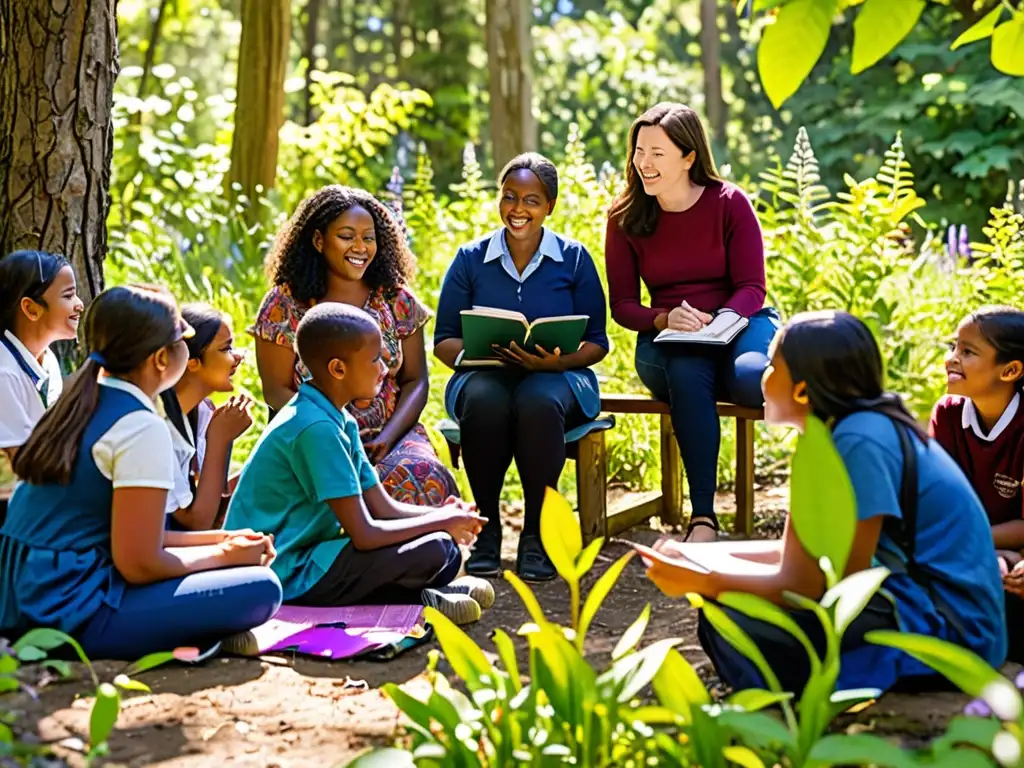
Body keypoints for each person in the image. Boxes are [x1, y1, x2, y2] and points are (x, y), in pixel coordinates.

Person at [641, 311, 1006, 695]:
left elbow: (822, 582)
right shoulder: (830, 436)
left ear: (802, 390)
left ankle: (797, 699)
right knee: (726, 605)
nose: (761, 377)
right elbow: (799, 556)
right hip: (906, 599)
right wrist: (698, 559)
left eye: (770, 365)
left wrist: (702, 579)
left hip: (952, 630)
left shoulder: (860, 442)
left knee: (731, 610)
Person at [0, 285, 282, 660]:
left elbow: (131, 537)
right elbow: (139, 563)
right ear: (161, 360)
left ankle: (196, 631)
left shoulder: (79, 401)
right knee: (261, 587)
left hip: (24, 594)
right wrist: (225, 557)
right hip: (67, 609)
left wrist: (222, 541)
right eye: (184, 340)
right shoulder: (140, 427)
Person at [227, 303, 494, 626]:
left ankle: (425, 591)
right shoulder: (316, 429)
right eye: (374, 360)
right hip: (283, 572)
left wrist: (445, 516)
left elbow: (384, 508)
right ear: (338, 369)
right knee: (436, 550)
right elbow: (366, 534)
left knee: (441, 545)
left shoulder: (337, 417)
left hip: (314, 555)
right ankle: (419, 598)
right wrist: (440, 523)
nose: (384, 369)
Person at [605, 103, 781, 542]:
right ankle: (703, 518)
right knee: (686, 372)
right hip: (670, 337)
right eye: (638, 151)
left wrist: (721, 321)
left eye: (657, 153)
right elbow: (624, 305)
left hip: (740, 322)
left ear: (688, 156)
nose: (643, 163)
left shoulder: (730, 203)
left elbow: (752, 287)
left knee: (749, 380)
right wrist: (665, 316)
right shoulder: (624, 217)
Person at [434, 152, 610, 582]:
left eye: (531, 200)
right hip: (485, 375)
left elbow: (597, 343)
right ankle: (487, 531)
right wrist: (478, 355)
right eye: (509, 197)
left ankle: (536, 534)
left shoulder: (574, 259)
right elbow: (443, 340)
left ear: (549, 205)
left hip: (558, 377)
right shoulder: (470, 258)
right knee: (484, 398)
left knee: (537, 400)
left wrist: (558, 361)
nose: (518, 209)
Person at [251, 185, 457, 507]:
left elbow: (415, 380)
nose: (360, 247)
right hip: (313, 435)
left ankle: (422, 556)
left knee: (423, 476)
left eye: (368, 237)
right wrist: (336, 433)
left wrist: (388, 438)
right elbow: (275, 390)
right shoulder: (285, 303)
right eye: (347, 236)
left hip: (390, 436)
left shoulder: (395, 298)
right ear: (319, 241)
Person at [929, 306, 1024, 661]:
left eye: (967, 352)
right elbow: (938, 508)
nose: (952, 359)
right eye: (954, 347)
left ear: (1011, 370)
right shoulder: (948, 413)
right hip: (972, 548)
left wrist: (986, 545)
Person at [160, 304, 253, 531]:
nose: (238, 357)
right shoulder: (159, 425)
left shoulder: (201, 411)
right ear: (192, 363)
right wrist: (219, 439)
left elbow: (212, 510)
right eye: (226, 349)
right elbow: (197, 522)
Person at [0, 251, 84, 463]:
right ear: (31, 308)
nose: (79, 304)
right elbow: (21, 462)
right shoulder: (5, 374)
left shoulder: (48, 360)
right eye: (68, 296)